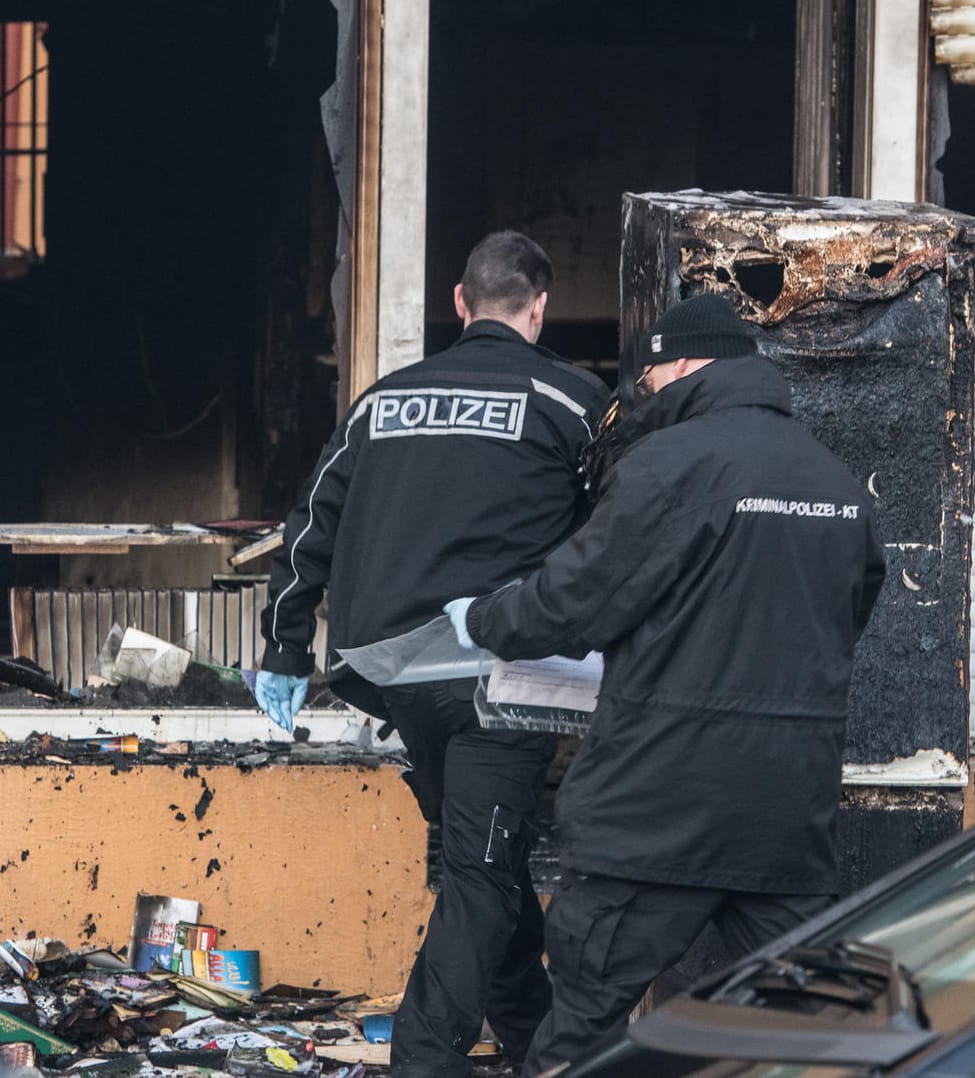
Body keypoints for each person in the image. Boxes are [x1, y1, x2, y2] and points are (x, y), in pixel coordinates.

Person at [444, 292, 886, 1075]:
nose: (641, 393)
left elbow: (569, 604)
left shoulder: (669, 465)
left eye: (645, 376)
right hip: (784, 818)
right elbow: (845, 620)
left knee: (581, 1033)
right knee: (804, 1037)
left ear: (679, 364)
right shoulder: (839, 484)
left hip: (656, 815)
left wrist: (481, 618)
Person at [251, 231, 609, 1076]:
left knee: (487, 859)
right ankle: (423, 1061)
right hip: (505, 675)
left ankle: (537, 1047)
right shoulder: (572, 400)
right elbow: (618, 537)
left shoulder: (382, 400)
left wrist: (285, 648)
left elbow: (308, 529)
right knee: (480, 875)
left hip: (396, 673)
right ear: (539, 307)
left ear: (459, 301)